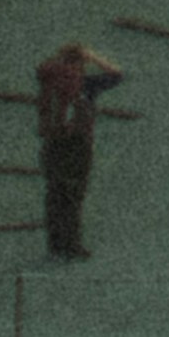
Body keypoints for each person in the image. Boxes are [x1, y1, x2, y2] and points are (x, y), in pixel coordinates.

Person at [30, 42, 122, 262]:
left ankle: (55, 246)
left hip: (52, 144)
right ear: (81, 62)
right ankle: (72, 246)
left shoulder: (49, 80)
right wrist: (93, 57)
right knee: (73, 197)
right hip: (76, 145)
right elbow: (117, 74)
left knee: (54, 194)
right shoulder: (84, 84)